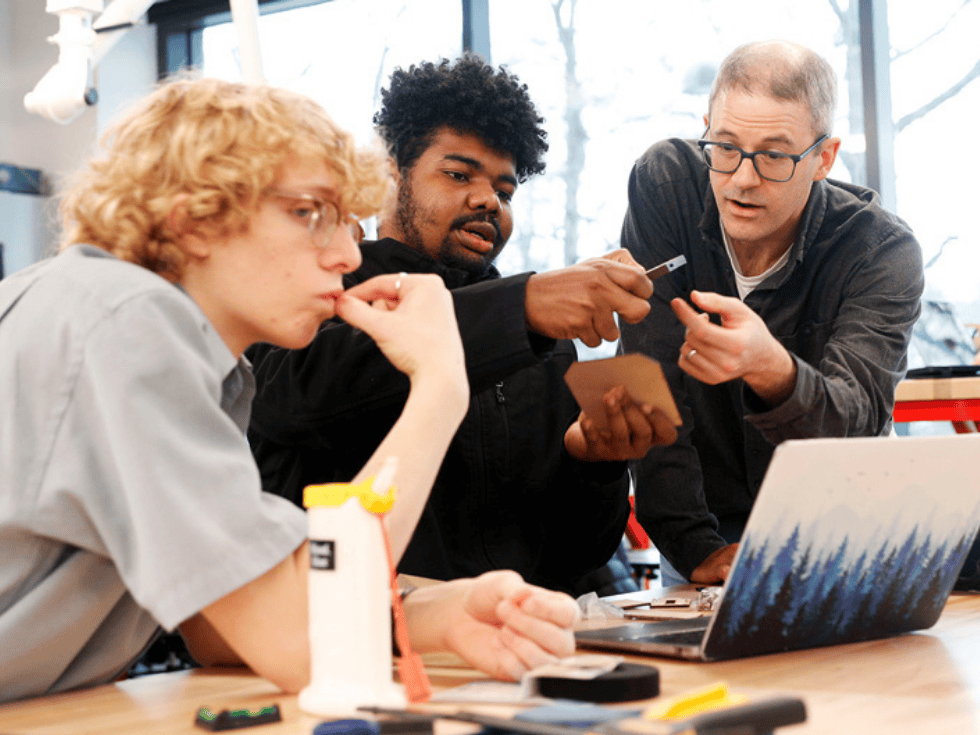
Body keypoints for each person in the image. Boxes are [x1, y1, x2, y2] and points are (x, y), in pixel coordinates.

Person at [0, 77, 582, 704]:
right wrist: (438, 386)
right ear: (193, 219)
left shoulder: (136, 329)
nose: (346, 255)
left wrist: (434, 611)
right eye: (309, 214)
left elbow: (218, 626)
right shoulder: (129, 324)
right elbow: (306, 645)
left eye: (342, 221)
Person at [247, 55, 677, 597]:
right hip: (348, 635)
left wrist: (593, 464)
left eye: (505, 190)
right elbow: (294, 395)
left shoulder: (543, 339)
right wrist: (518, 309)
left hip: (510, 643)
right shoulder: (322, 294)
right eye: (457, 174)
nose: (487, 201)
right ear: (389, 174)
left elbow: (574, 556)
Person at [619, 40, 924, 585]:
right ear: (707, 128)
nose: (742, 178)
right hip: (704, 539)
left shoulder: (880, 251)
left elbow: (855, 418)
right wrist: (695, 549)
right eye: (727, 146)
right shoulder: (668, 186)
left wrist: (772, 370)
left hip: (843, 533)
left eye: (775, 156)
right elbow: (653, 382)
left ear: (823, 159)